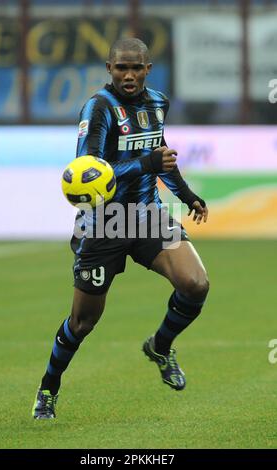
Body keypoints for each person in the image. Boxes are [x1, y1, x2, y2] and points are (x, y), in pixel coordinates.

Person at [32, 38, 209, 419]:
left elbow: (159, 155)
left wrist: (187, 193)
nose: (129, 75)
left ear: (148, 69)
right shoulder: (98, 108)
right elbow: (86, 171)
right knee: (83, 322)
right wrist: (145, 164)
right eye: (121, 68)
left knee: (195, 284)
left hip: (147, 215)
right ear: (109, 69)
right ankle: (49, 387)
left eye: (136, 68)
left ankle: (160, 346)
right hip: (104, 223)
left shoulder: (157, 103)